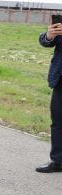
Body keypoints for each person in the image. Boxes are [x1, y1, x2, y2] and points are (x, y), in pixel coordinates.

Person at [36, 18, 62, 173]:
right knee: (58, 122)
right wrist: (49, 35)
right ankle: (58, 161)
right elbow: (45, 42)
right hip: (60, 79)